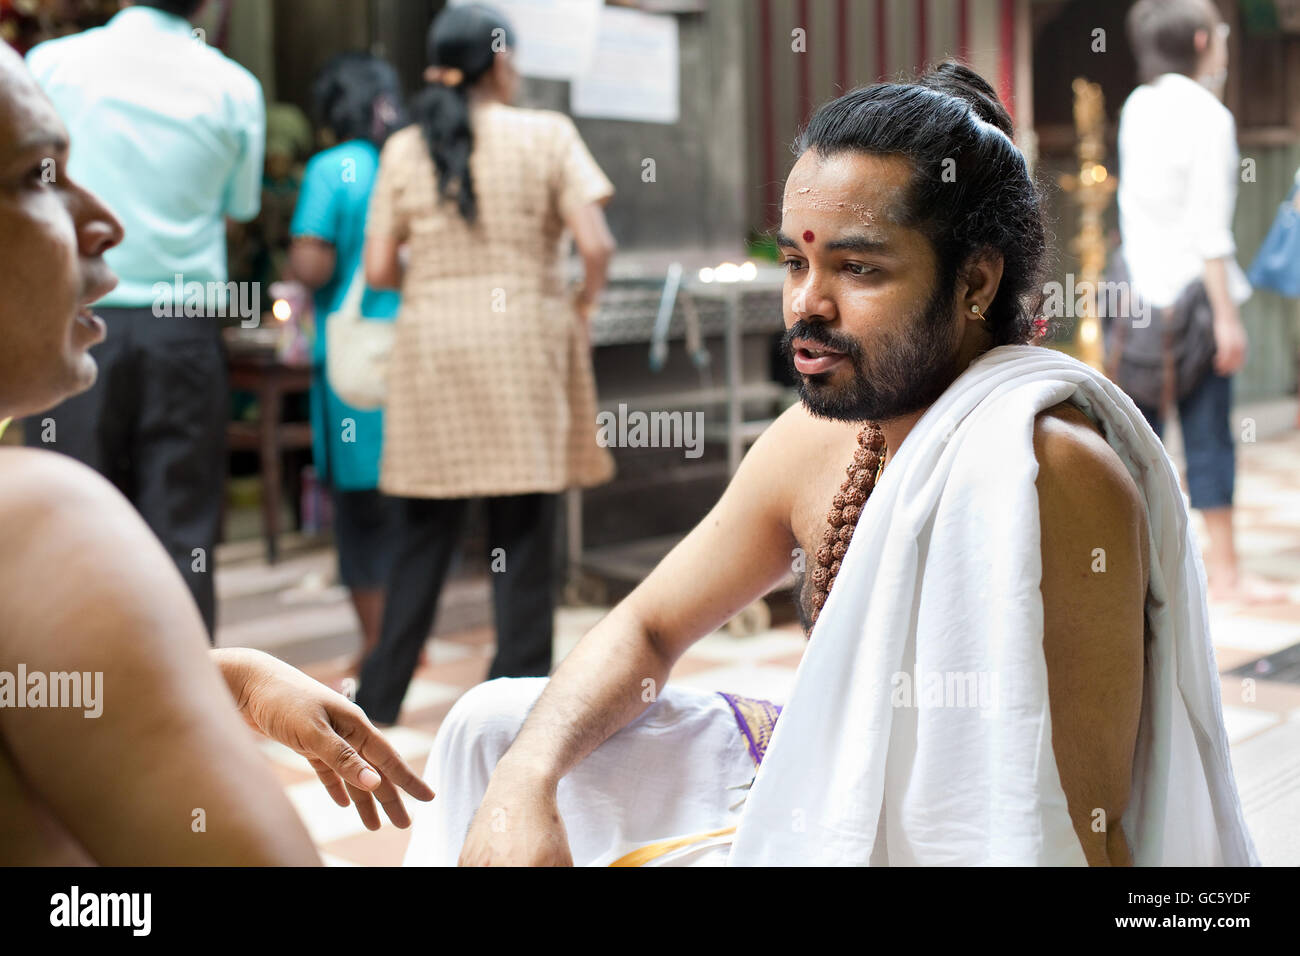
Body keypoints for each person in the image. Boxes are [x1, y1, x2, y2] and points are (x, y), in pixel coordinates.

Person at [403, 63, 1257, 867]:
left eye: (856, 268)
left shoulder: (1050, 473)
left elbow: (1074, 830)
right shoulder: (818, 438)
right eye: (794, 261)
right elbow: (648, 629)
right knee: (493, 729)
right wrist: (525, 780)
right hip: (836, 795)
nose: (807, 303)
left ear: (975, 284)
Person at [0, 40, 432, 864]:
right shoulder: (37, 518)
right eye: (37, 178)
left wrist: (211, 679)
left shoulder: (62, 60)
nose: (106, 221)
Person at [356, 2, 617, 725]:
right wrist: (581, 303)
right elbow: (595, 246)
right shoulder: (547, 134)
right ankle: (515, 701)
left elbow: (378, 269)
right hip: (524, 344)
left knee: (424, 533)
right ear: (500, 62)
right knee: (525, 533)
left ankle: (379, 697)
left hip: (433, 349)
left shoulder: (404, 147)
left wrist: (441, 282)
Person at [20, 0, 266, 638]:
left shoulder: (52, 65)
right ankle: (189, 714)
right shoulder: (235, 87)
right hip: (183, 326)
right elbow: (238, 205)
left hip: (71, 321)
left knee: (66, 525)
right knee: (182, 528)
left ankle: (68, 716)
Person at [1116, 0, 1282, 604]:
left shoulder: (1138, 105)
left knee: (1139, 438)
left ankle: (1137, 568)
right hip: (1196, 301)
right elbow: (1210, 230)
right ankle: (1228, 573)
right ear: (1202, 40)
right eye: (1223, 31)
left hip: (1137, 300)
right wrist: (1231, 318)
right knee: (1210, 432)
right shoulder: (1209, 115)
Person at [288, 53, 406, 677]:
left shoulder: (332, 169)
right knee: (411, 504)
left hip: (356, 365)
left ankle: (378, 644)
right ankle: (405, 639)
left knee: (361, 509)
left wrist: (292, 263)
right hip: (414, 354)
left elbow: (313, 265)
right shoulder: (413, 162)